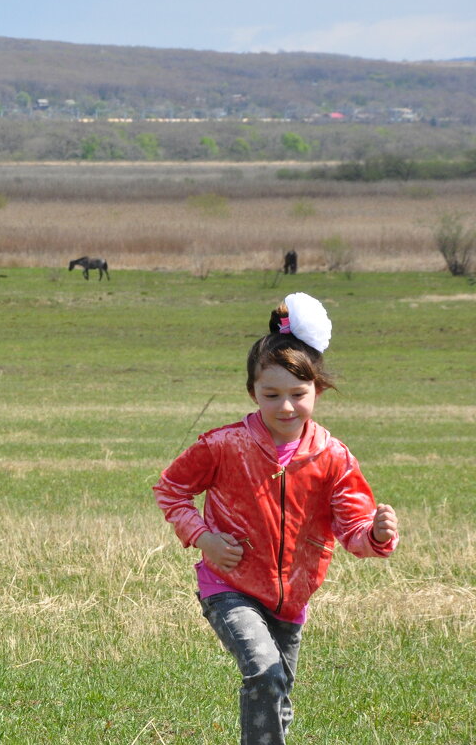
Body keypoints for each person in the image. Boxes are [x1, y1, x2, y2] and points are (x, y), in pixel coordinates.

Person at [153, 293, 398, 745]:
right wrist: (203, 537)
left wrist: (376, 535)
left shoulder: (334, 458)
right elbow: (170, 488)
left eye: (298, 395)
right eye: (271, 395)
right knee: (265, 675)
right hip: (229, 587)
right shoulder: (224, 445)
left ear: (318, 391)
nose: (285, 407)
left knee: (279, 693)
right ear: (252, 393)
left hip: (292, 600)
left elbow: (353, 529)